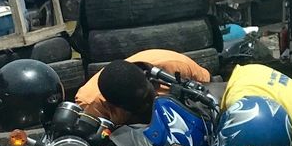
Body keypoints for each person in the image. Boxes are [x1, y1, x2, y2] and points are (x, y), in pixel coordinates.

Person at [75, 49, 211, 125]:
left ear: (148, 78)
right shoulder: (91, 103)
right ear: (111, 105)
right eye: (136, 107)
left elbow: (211, 90)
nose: (146, 107)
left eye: (147, 98)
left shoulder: (177, 66)